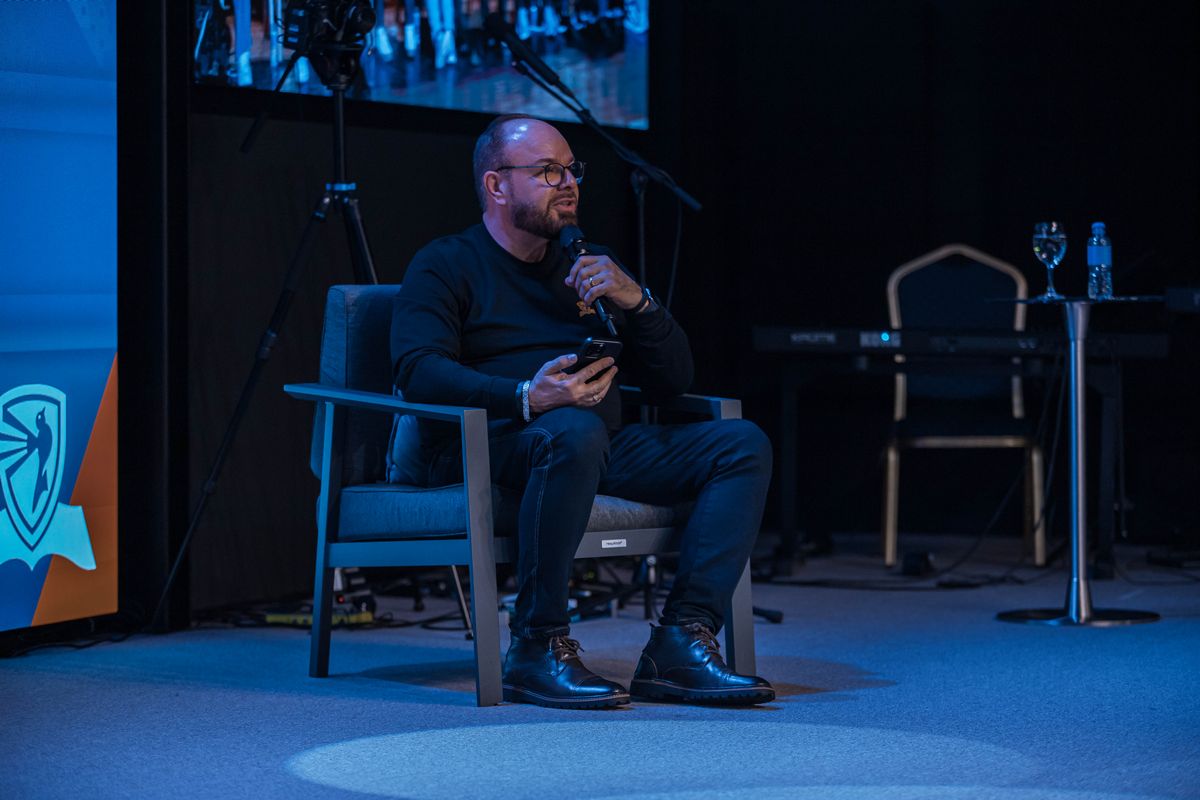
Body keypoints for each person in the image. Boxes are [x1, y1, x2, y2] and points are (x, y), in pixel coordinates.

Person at [391, 114, 775, 709]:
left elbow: (675, 380)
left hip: (595, 443)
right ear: (497, 185)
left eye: (572, 170)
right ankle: (536, 645)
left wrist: (637, 302)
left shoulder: (589, 263)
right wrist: (527, 394)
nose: (569, 183)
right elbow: (418, 370)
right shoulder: (446, 263)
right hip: (489, 442)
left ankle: (680, 641)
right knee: (571, 430)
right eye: (549, 171)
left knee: (741, 443)